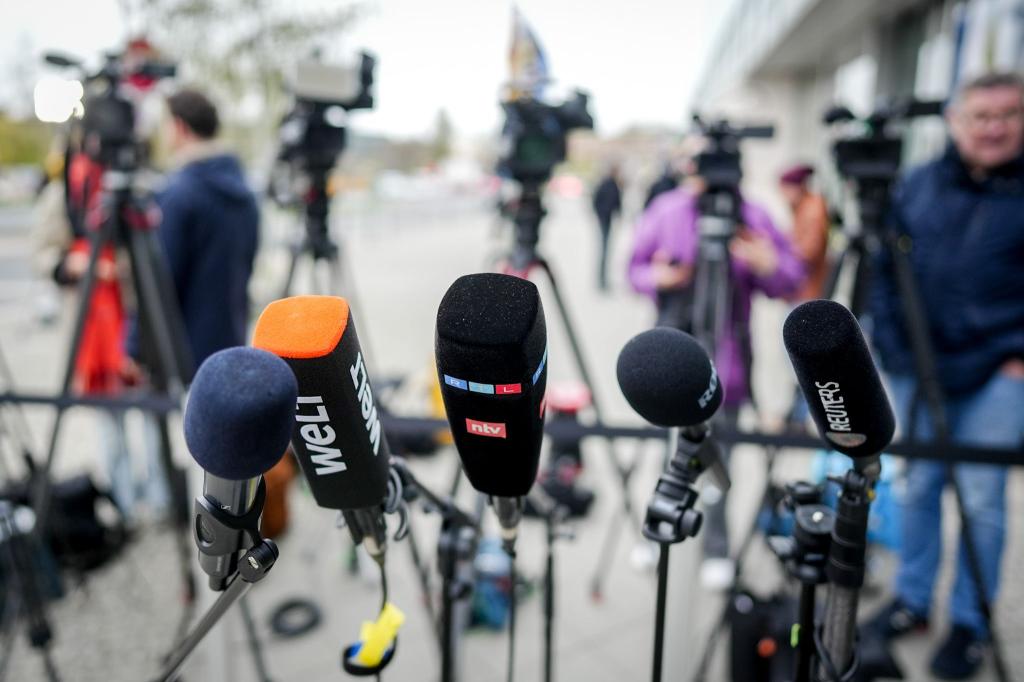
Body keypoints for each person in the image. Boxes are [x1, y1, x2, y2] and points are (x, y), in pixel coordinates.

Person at [865, 72, 1024, 680]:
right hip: (918, 364)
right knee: (919, 485)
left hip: (999, 370)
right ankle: (912, 600)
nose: (994, 127)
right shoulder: (919, 184)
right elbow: (882, 269)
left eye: (1008, 115)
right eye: (981, 115)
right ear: (956, 121)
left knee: (982, 499)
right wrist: (891, 347)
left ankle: (970, 622)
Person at [628, 174, 803, 587]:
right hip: (672, 363)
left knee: (719, 464)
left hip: (729, 369)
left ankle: (717, 547)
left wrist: (767, 264)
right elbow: (633, 270)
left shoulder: (752, 215)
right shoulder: (667, 210)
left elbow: (791, 279)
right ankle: (656, 532)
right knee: (666, 457)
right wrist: (659, 278)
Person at [152, 88, 259, 369]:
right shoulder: (246, 193)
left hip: (181, 350)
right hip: (231, 339)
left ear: (179, 127)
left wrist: (135, 346)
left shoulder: (180, 193)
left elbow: (162, 281)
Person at [778, 164, 830, 302]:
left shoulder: (812, 210)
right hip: (802, 289)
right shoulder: (803, 207)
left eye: (785, 190)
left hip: (808, 289)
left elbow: (810, 251)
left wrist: (781, 251)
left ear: (797, 187)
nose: (783, 195)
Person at [591, 165, 622, 291]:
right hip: (604, 219)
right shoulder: (607, 184)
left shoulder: (613, 184)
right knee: (604, 250)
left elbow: (617, 203)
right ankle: (601, 280)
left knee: (606, 250)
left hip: (607, 219)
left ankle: (603, 280)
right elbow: (596, 201)